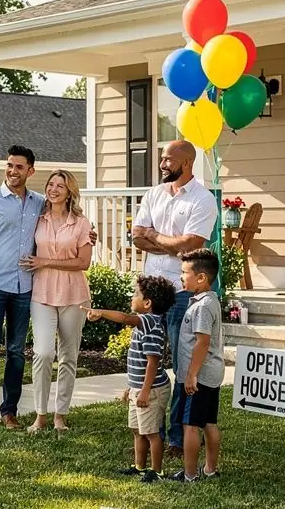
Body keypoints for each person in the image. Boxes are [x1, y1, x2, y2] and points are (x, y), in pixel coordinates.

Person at [130, 140, 217, 459]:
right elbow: (137, 237)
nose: (163, 164)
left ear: (187, 163)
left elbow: (190, 245)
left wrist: (154, 235)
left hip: (183, 294)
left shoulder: (203, 199)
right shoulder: (153, 194)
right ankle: (147, 426)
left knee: (184, 368)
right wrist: (165, 241)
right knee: (145, 360)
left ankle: (178, 437)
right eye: (162, 159)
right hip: (151, 293)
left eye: (168, 160)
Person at [0, 146, 44, 429]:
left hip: (25, 287)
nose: (13, 171)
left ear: (30, 171)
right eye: (10, 165)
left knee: (16, 351)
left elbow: (65, 216)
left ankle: (9, 410)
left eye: (19, 167)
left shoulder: (39, 202)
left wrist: (88, 232)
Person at [20, 169, 93, 433]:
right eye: (50, 184)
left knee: (68, 357)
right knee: (43, 353)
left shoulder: (82, 224)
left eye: (59, 186)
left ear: (69, 191)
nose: (53, 189)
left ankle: (60, 415)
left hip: (74, 296)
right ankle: (40, 415)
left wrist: (45, 261)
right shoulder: (37, 219)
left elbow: (83, 263)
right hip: (42, 295)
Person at [88, 274, 177, 482]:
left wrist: (101, 313)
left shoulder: (149, 323)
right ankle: (139, 467)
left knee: (152, 433)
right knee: (138, 430)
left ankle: (157, 471)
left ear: (147, 303)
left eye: (136, 294)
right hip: (140, 389)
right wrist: (132, 388)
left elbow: (153, 363)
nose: (132, 296)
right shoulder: (144, 324)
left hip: (152, 390)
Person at [172, 249, 225, 484]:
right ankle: (210, 469)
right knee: (209, 422)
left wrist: (192, 375)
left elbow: (202, 342)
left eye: (185, 272)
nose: (181, 277)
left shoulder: (202, 306)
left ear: (201, 278)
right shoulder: (208, 301)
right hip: (211, 373)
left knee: (190, 425)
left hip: (200, 375)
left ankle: (190, 474)